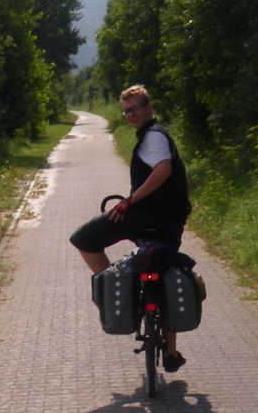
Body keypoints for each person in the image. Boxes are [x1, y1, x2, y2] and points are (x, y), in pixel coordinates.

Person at [70, 84, 193, 371]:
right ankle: (171, 354)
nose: (131, 115)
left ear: (149, 107)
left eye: (135, 108)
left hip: (142, 217)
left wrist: (130, 201)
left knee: (83, 239)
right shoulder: (163, 136)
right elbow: (182, 180)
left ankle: (117, 295)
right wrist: (181, 213)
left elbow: (163, 169)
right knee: (165, 271)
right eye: (126, 111)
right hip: (171, 222)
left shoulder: (153, 137)